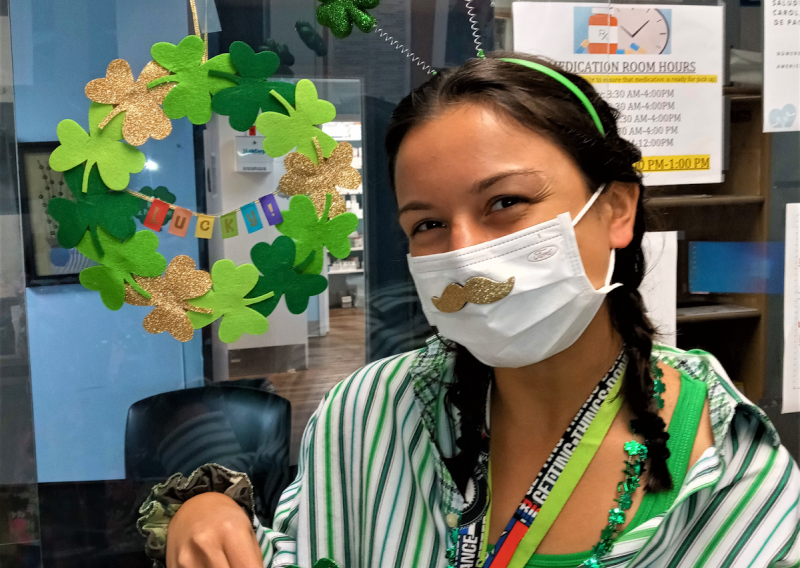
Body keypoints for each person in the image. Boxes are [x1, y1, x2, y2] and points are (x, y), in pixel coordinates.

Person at [138, 52, 800, 568]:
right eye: (427, 224)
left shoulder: (732, 475)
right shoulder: (369, 415)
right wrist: (204, 510)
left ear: (617, 210)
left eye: (505, 203)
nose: (466, 255)